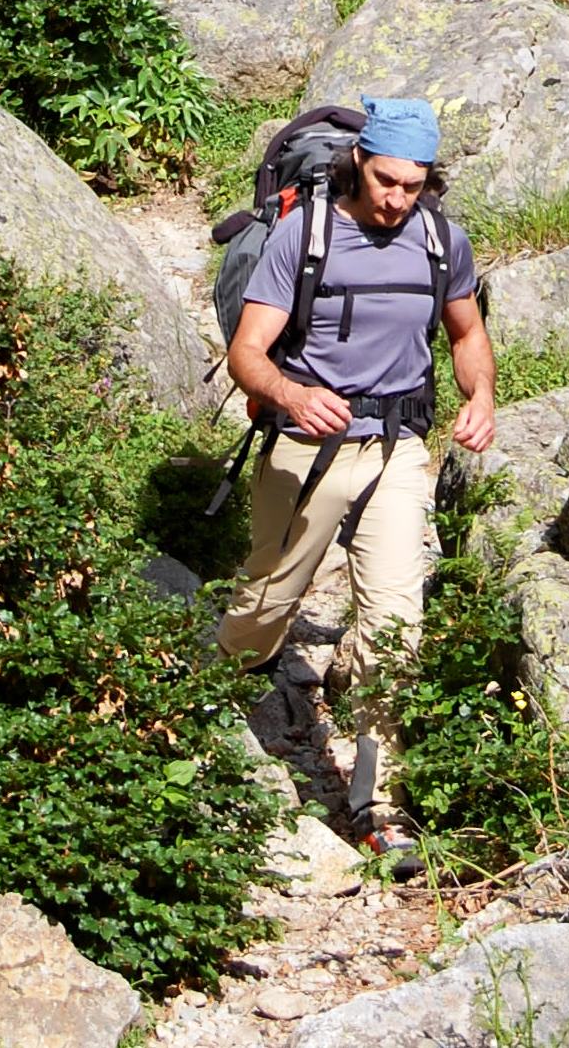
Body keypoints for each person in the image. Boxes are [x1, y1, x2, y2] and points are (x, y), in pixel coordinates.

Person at [217, 96, 496, 872]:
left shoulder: (442, 242)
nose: (396, 199)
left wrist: (481, 396)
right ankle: (227, 679)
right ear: (357, 164)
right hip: (308, 445)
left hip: (399, 449)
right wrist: (291, 395)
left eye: (412, 185)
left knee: (395, 621)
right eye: (384, 181)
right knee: (266, 601)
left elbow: (467, 333)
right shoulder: (302, 235)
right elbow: (249, 349)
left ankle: (379, 805)